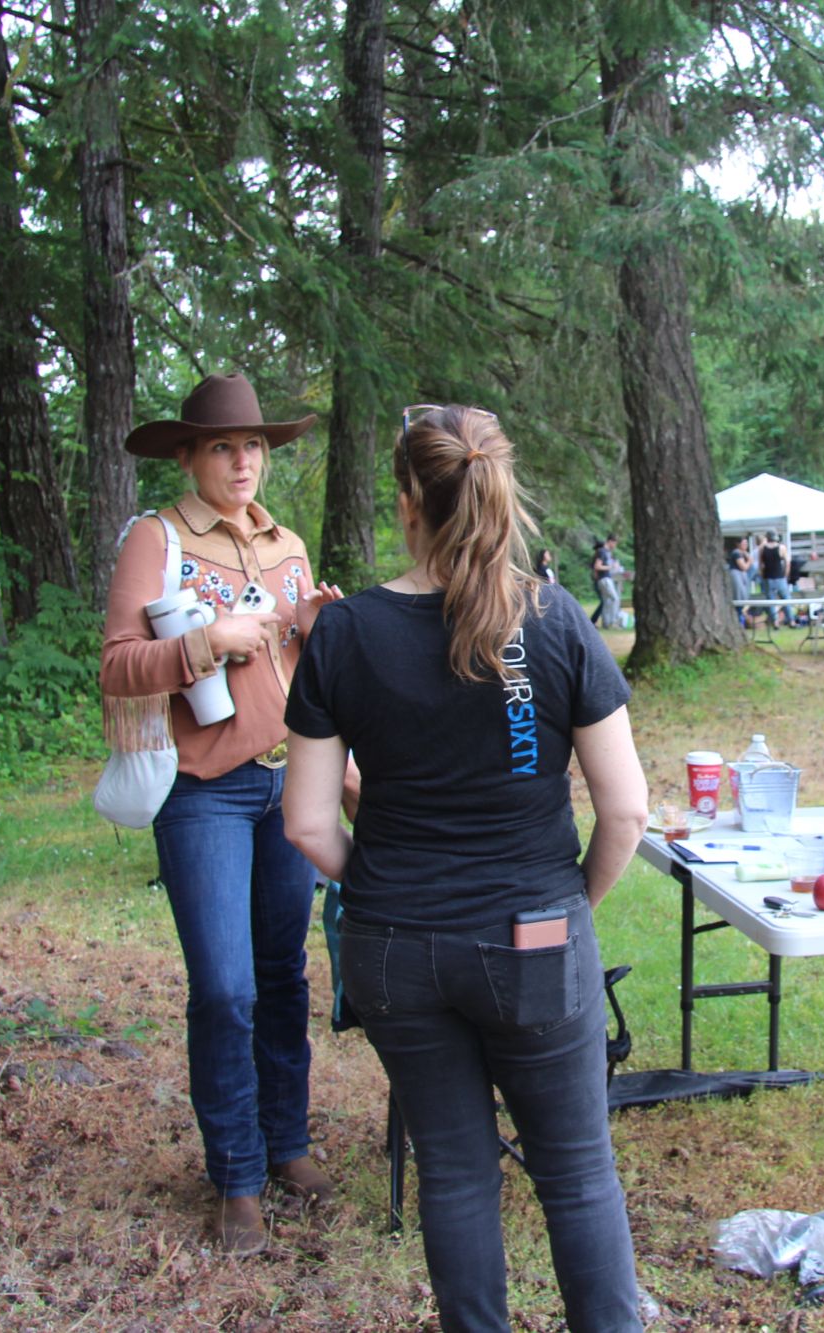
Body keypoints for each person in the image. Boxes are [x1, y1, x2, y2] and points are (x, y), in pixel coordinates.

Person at [283, 405, 649, 1331]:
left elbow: (306, 825)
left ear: (407, 502)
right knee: (573, 1169)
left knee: (454, 1169)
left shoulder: (344, 632)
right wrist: (570, 900)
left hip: (393, 944)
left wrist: (383, 880)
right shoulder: (557, 620)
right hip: (533, 932)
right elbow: (627, 809)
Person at [99, 373, 345, 1255]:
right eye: (223, 447)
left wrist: (316, 630)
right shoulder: (155, 538)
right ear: (189, 455)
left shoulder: (289, 544)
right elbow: (120, 664)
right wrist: (209, 641)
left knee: (282, 978)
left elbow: (302, 677)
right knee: (226, 987)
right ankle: (236, 1174)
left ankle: (288, 1145)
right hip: (203, 794)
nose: (244, 463)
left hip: (290, 784)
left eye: (256, 447)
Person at [757, 529, 791, 627]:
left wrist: (762, 575)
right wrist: (786, 575)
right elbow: (787, 562)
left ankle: (775, 622)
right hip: (780, 577)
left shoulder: (762, 548)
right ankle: (791, 620)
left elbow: (760, 565)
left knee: (771, 601)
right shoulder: (781, 548)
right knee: (786, 599)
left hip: (768, 577)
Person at [591, 534, 625, 629]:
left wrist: (614, 566)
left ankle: (606, 623)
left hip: (606, 578)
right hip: (604, 579)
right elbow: (597, 566)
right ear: (610, 541)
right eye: (615, 543)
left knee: (607, 601)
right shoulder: (602, 551)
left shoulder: (607, 553)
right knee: (615, 599)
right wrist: (611, 567)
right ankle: (613, 621)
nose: (615, 546)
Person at [727, 536, 754, 624]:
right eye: (743, 543)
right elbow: (744, 567)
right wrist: (749, 561)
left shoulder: (743, 553)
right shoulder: (736, 553)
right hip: (736, 576)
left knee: (744, 596)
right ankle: (739, 620)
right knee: (739, 596)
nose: (745, 545)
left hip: (742, 577)